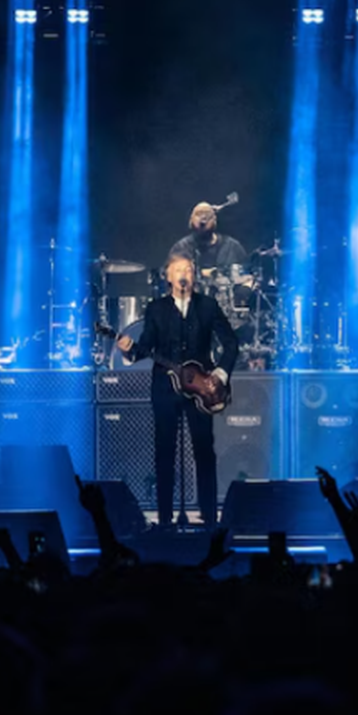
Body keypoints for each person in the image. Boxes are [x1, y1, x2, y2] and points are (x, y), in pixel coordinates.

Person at [118, 254, 240, 529]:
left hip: (202, 388)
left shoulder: (207, 306)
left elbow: (231, 343)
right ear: (168, 277)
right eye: (178, 270)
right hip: (165, 388)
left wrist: (219, 375)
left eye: (188, 269)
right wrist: (128, 350)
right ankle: (164, 517)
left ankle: (209, 516)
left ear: (193, 276)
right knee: (165, 450)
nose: (184, 273)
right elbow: (145, 347)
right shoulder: (156, 308)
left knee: (204, 450)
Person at [169, 202, 248, 278]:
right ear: (191, 220)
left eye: (207, 214)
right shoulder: (181, 249)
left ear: (215, 220)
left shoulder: (232, 247)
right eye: (199, 214)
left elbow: (247, 276)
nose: (203, 218)